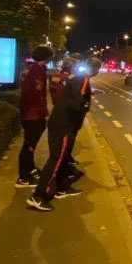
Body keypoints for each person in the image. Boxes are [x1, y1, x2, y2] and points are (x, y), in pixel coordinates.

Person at [26, 58, 101, 212]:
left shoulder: (77, 77)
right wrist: (85, 105)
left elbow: (71, 94)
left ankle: (60, 187)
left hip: (62, 123)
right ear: (95, 69)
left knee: (63, 157)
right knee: (57, 159)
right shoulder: (83, 79)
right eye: (98, 68)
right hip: (64, 125)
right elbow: (76, 103)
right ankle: (38, 196)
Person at [17, 45, 54, 188]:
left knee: (29, 143)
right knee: (29, 145)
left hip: (28, 112)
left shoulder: (31, 68)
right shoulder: (37, 71)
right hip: (33, 114)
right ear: (47, 57)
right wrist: (44, 113)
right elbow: (37, 95)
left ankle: (30, 169)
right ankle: (23, 177)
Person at [49, 57, 80, 173]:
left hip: (57, 110)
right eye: (76, 67)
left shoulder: (57, 76)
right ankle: (60, 176)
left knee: (58, 149)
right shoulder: (66, 79)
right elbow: (66, 96)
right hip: (63, 115)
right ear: (71, 67)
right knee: (61, 150)